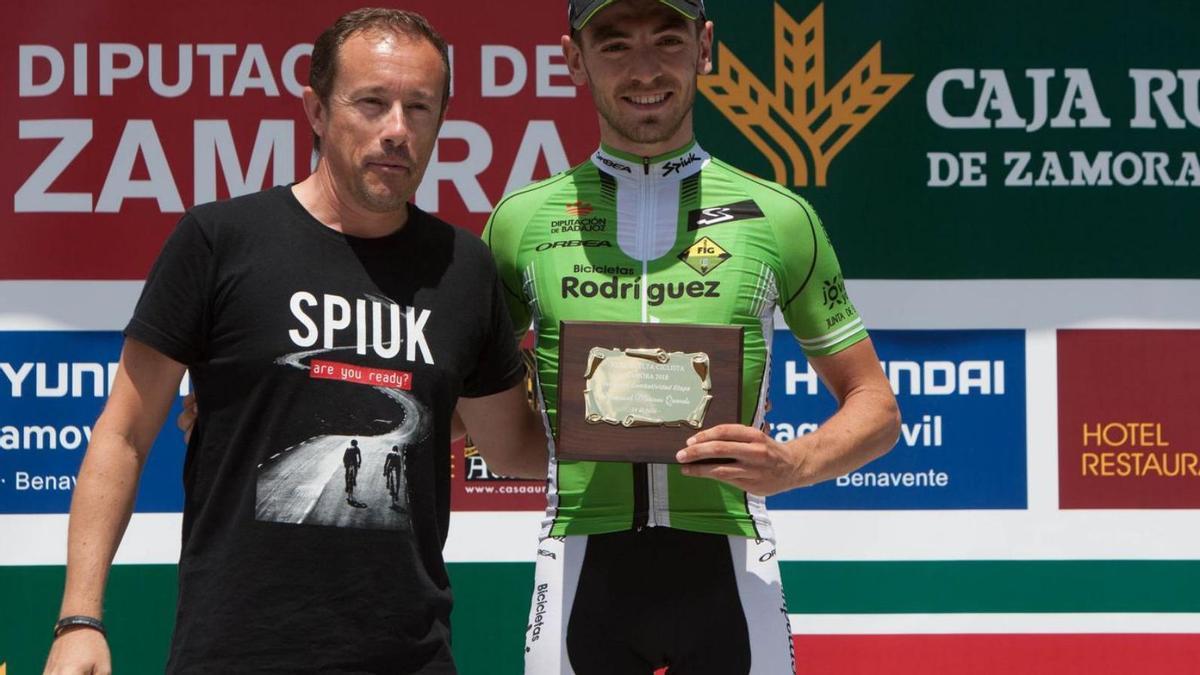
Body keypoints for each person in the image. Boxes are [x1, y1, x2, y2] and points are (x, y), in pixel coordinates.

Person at [44, 8, 545, 674]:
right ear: (316, 109)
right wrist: (80, 618)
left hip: (409, 656)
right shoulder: (220, 241)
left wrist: (645, 432)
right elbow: (124, 434)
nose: (397, 130)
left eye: (419, 108)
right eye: (371, 103)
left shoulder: (463, 269)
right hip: (236, 652)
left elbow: (511, 446)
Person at [482, 1, 902, 672]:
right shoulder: (520, 222)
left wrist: (791, 465)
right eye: (615, 45)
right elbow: (480, 413)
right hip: (578, 561)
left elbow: (876, 406)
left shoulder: (779, 217)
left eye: (667, 40)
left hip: (733, 563)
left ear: (704, 47)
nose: (644, 70)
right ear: (573, 58)